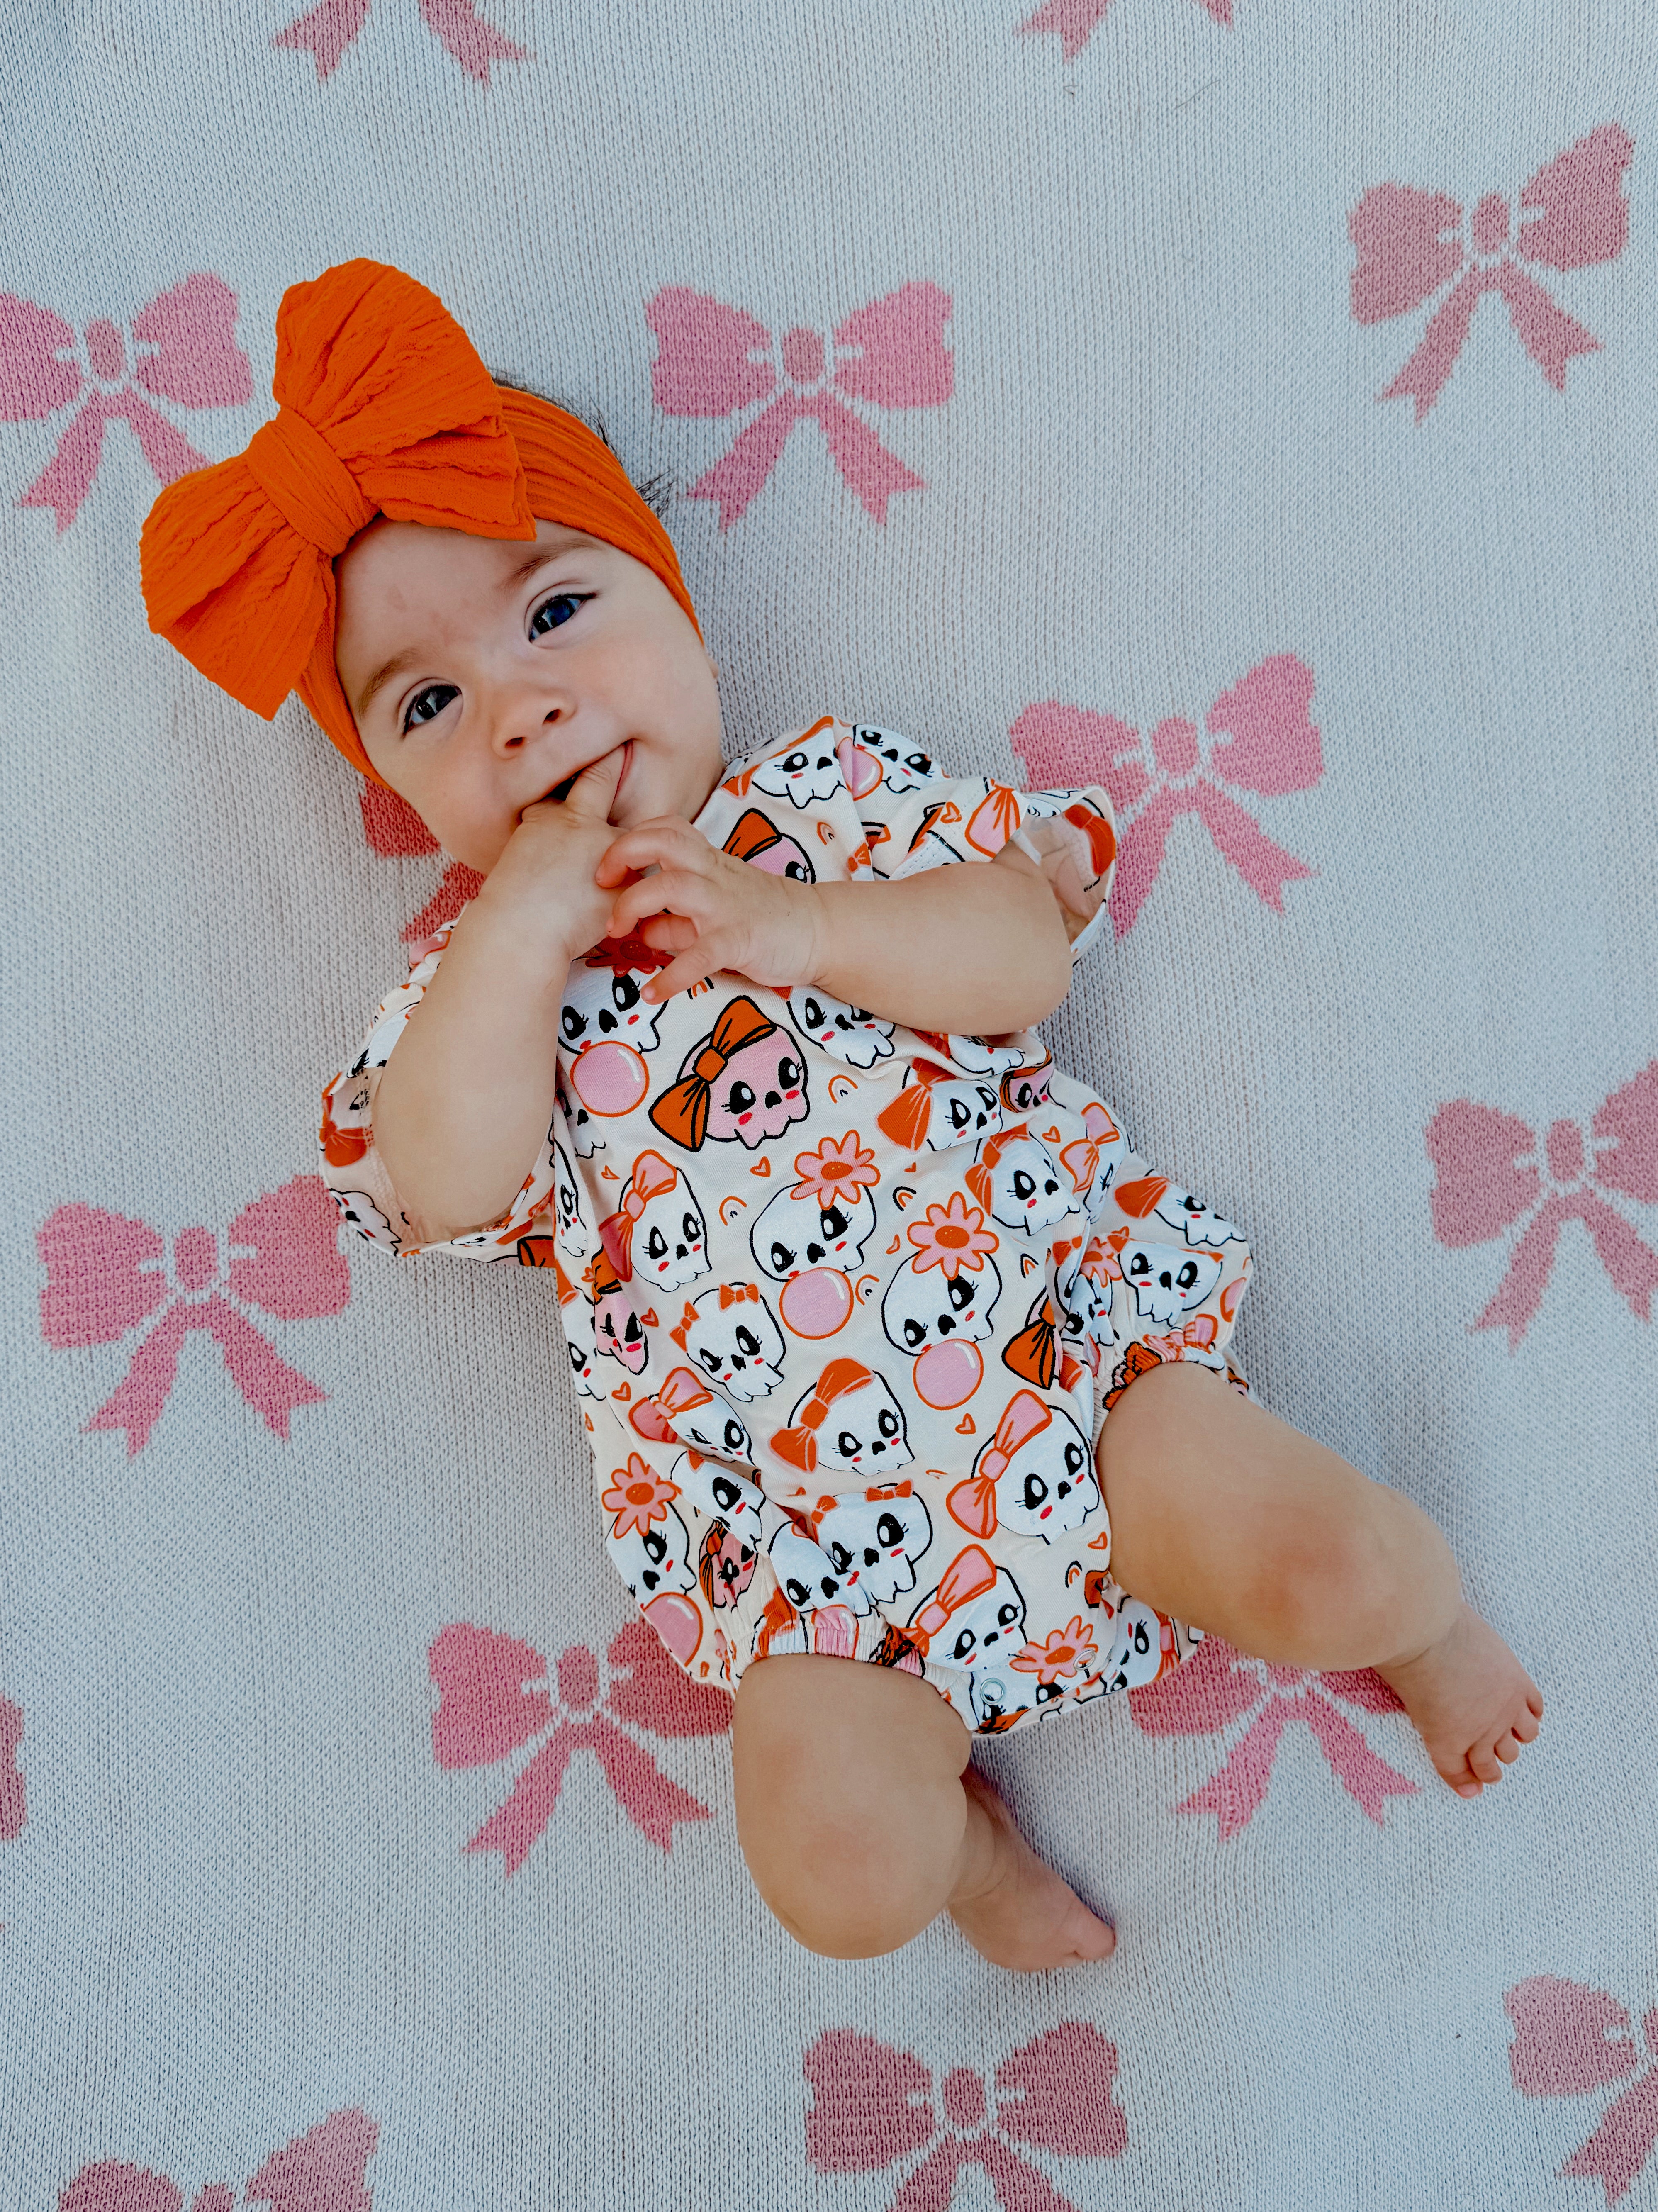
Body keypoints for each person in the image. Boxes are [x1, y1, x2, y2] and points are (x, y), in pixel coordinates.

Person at [141, 259, 1542, 1973]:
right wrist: (511, 940)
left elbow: (1020, 951)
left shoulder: (823, 807)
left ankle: (1427, 1630)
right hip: (822, 1583)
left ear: (674, 599)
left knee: (1325, 1560)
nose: (523, 709)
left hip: (1080, 1389)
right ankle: (960, 1852)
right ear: (398, 792)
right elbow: (440, 1179)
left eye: (555, 613)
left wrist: (800, 927)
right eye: (429, 708)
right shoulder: (463, 1008)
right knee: (832, 1875)